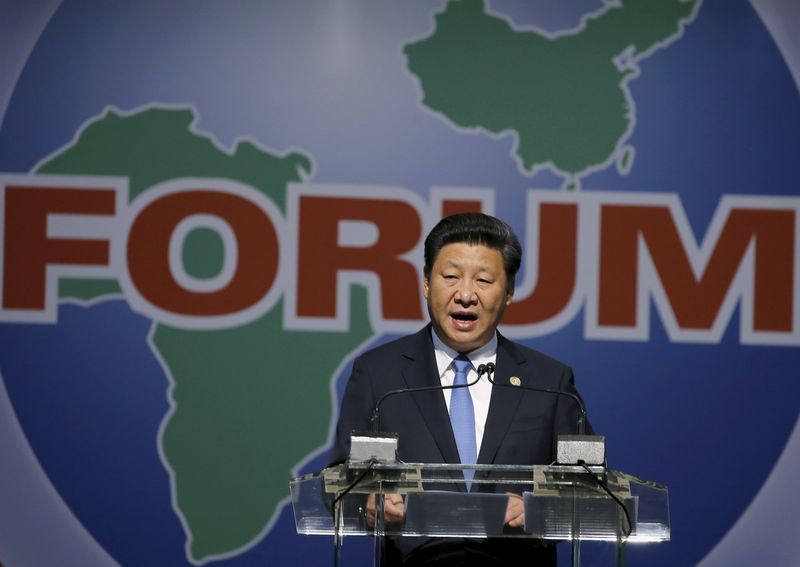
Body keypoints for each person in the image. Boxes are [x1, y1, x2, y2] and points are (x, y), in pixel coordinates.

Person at [329, 212, 590, 566]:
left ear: (509, 291)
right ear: (426, 282)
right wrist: (367, 502)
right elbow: (339, 485)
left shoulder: (550, 382)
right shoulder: (380, 374)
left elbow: (589, 491)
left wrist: (539, 509)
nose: (465, 294)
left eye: (484, 280)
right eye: (450, 276)